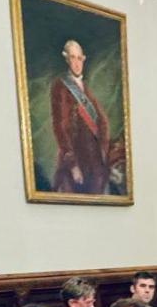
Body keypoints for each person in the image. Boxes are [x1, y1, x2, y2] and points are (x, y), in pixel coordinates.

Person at [50, 39, 116, 195]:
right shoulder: (60, 86)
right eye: (73, 57)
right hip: (77, 161)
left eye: (79, 58)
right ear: (66, 59)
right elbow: (60, 126)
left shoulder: (86, 90)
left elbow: (101, 123)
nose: (77, 63)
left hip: (94, 162)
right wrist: (73, 166)